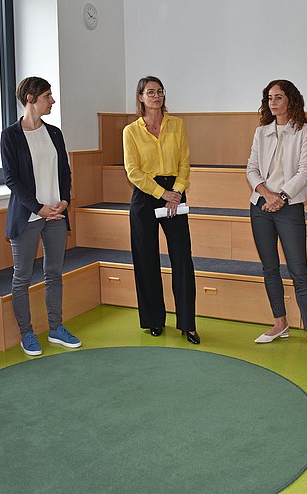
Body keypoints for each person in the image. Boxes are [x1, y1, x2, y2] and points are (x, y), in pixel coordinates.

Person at [246, 79, 307, 360]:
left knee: (299, 271)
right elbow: (250, 168)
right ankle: (280, 323)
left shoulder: (304, 131)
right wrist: (264, 192)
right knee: (269, 268)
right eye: (269, 98)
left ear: (291, 100)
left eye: (278, 97)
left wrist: (281, 197)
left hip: (290, 205)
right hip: (261, 205)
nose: (273, 102)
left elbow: (305, 170)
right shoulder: (261, 132)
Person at [0, 76, 80, 356]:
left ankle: (56, 328)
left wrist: (65, 201)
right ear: (30, 99)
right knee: (22, 277)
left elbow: (65, 172)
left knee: (54, 273)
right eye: (48, 96)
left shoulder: (55, 133)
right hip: (28, 216)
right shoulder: (10, 135)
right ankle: (27, 333)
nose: (52, 101)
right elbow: (11, 178)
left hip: (56, 215)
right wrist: (37, 207)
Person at [123, 76, 200, 344]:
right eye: (150, 92)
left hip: (175, 194)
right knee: (146, 260)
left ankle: (187, 324)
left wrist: (175, 192)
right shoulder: (130, 131)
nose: (156, 96)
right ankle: (154, 320)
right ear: (141, 97)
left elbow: (185, 161)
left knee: (182, 258)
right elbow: (133, 171)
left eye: (160, 91)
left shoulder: (177, 125)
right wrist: (160, 193)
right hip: (145, 196)